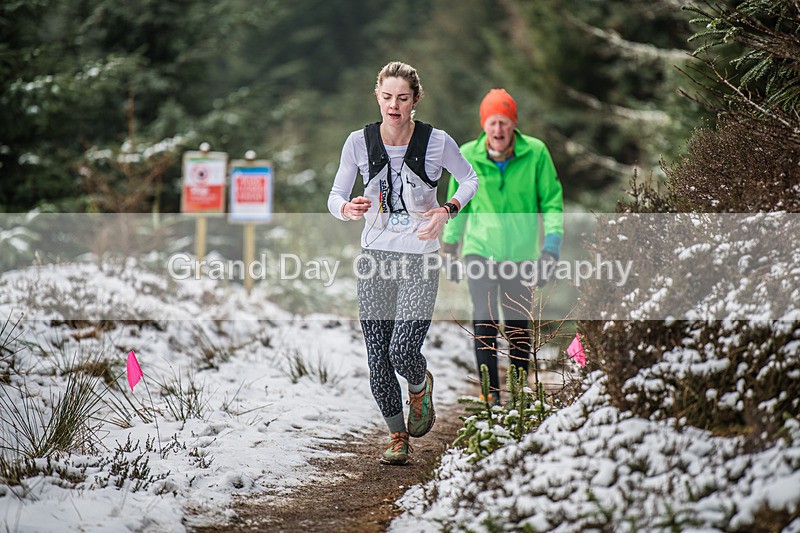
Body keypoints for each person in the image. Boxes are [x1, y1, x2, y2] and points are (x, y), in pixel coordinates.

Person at [328, 61, 479, 465]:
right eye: (387, 96)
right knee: (377, 356)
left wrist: (447, 210)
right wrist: (348, 207)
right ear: (377, 95)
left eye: (403, 98)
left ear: (415, 100)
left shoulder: (436, 141)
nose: (394, 105)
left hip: (420, 258)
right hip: (375, 257)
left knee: (401, 350)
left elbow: (470, 180)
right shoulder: (358, 142)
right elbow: (334, 196)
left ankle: (418, 384)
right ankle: (398, 437)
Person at [441, 88, 564, 406]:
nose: (498, 130)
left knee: (517, 324)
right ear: (484, 124)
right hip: (480, 249)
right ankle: (490, 395)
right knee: (483, 318)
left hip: (522, 254)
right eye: (493, 122)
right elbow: (458, 204)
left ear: (514, 125)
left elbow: (551, 202)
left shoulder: (535, 153)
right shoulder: (467, 154)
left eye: (504, 123)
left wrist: (551, 247)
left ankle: (520, 395)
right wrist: (451, 246)